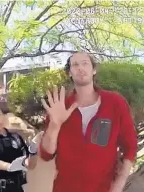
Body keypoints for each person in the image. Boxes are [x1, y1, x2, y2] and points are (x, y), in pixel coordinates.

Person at [40, 51, 138, 192]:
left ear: (94, 70)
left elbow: (130, 147)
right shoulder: (60, 107)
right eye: (75, 65)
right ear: (69, 73)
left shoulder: (115, 103)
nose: (80, 68)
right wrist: (55, 124)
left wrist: (118, 184)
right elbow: (46, 154)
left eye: (85, 63)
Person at [0, 105, 38, 192]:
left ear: (5, 117)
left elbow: (30, 164)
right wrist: (9, 167)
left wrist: (33, 151)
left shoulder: (16, 137)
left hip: (16, 187)